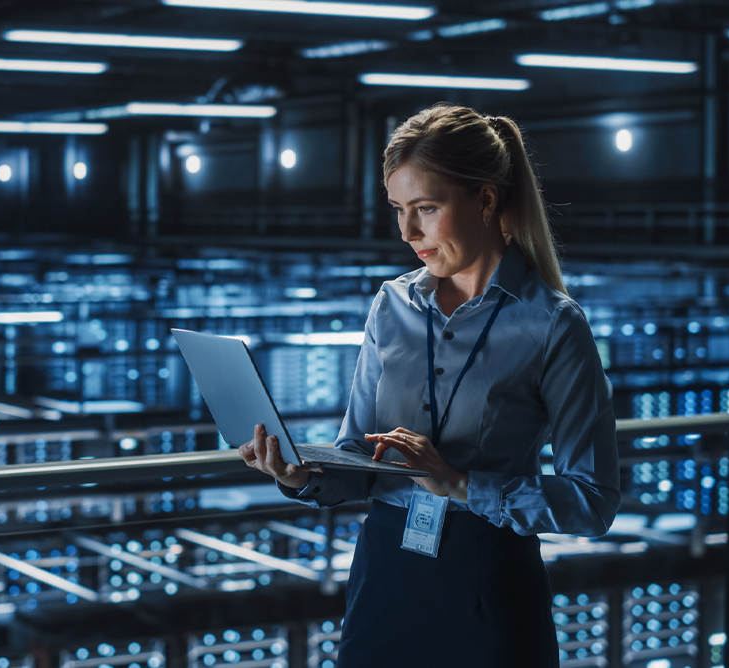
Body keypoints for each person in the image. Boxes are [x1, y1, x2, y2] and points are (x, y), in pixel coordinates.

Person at [237, 103, 620, 666]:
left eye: (426, 208)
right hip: (385, 572)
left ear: (486, 200)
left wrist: (461, 483)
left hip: (486, 580)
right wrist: (301, 474)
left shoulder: (553, 324)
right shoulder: (390, 305)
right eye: (398, 210)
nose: (407, 232)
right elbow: (357, 453)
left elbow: (593, 501)